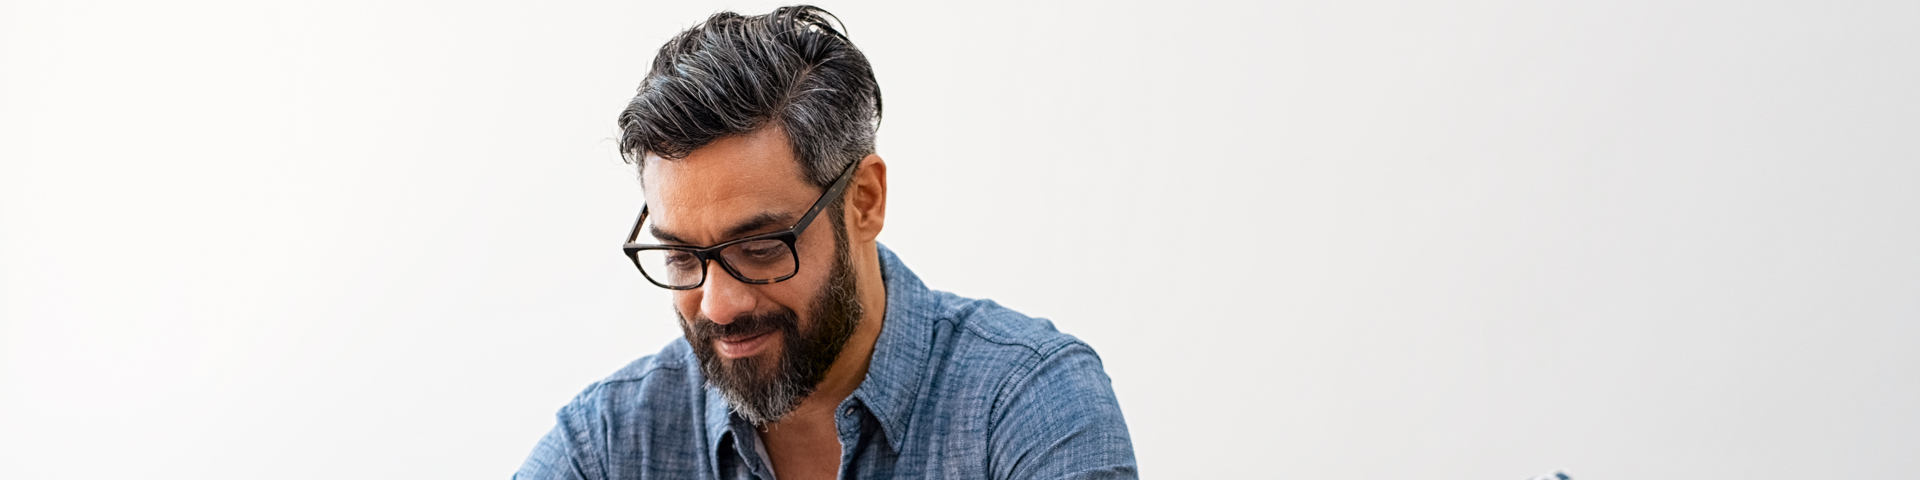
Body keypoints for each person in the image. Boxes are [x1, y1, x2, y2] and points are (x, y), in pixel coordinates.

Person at [515, 6, 1135, 479]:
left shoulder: (1028, 404)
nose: (719, 306)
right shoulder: (607, 443)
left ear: (864, 200)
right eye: (682, 256)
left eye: (759, 246)